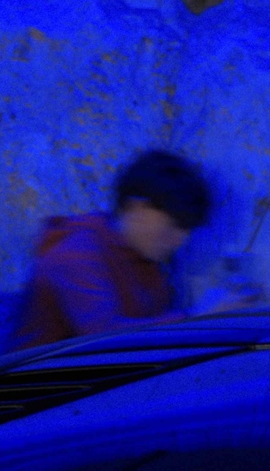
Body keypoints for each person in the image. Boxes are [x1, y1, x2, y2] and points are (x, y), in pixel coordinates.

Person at [12, 149, 225, 349]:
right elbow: (104, 340)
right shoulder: (76, 252)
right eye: (173, 225)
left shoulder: (145, 259)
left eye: (186, 230)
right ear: (137, 207)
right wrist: (196, 318)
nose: (178, 241)